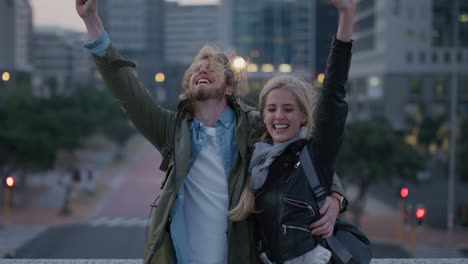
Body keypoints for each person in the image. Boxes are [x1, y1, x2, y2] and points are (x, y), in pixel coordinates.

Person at [75, 0, 348, 263]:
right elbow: (126, 90)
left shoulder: (253, 126)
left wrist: (335, 196)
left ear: (229, 87)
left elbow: (306, 155)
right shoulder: (171, 129)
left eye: (213, 67)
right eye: (196, 68)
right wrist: (92, 21)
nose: (202, 68)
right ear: (189, 83)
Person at [228, 0, 355, 263]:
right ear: (262, 114)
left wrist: (346, 15)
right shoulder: (255, 159)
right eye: (271, 109)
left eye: (288, 109)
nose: (279, 116)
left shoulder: (314, 154)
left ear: (303, 116)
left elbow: (333, 94)